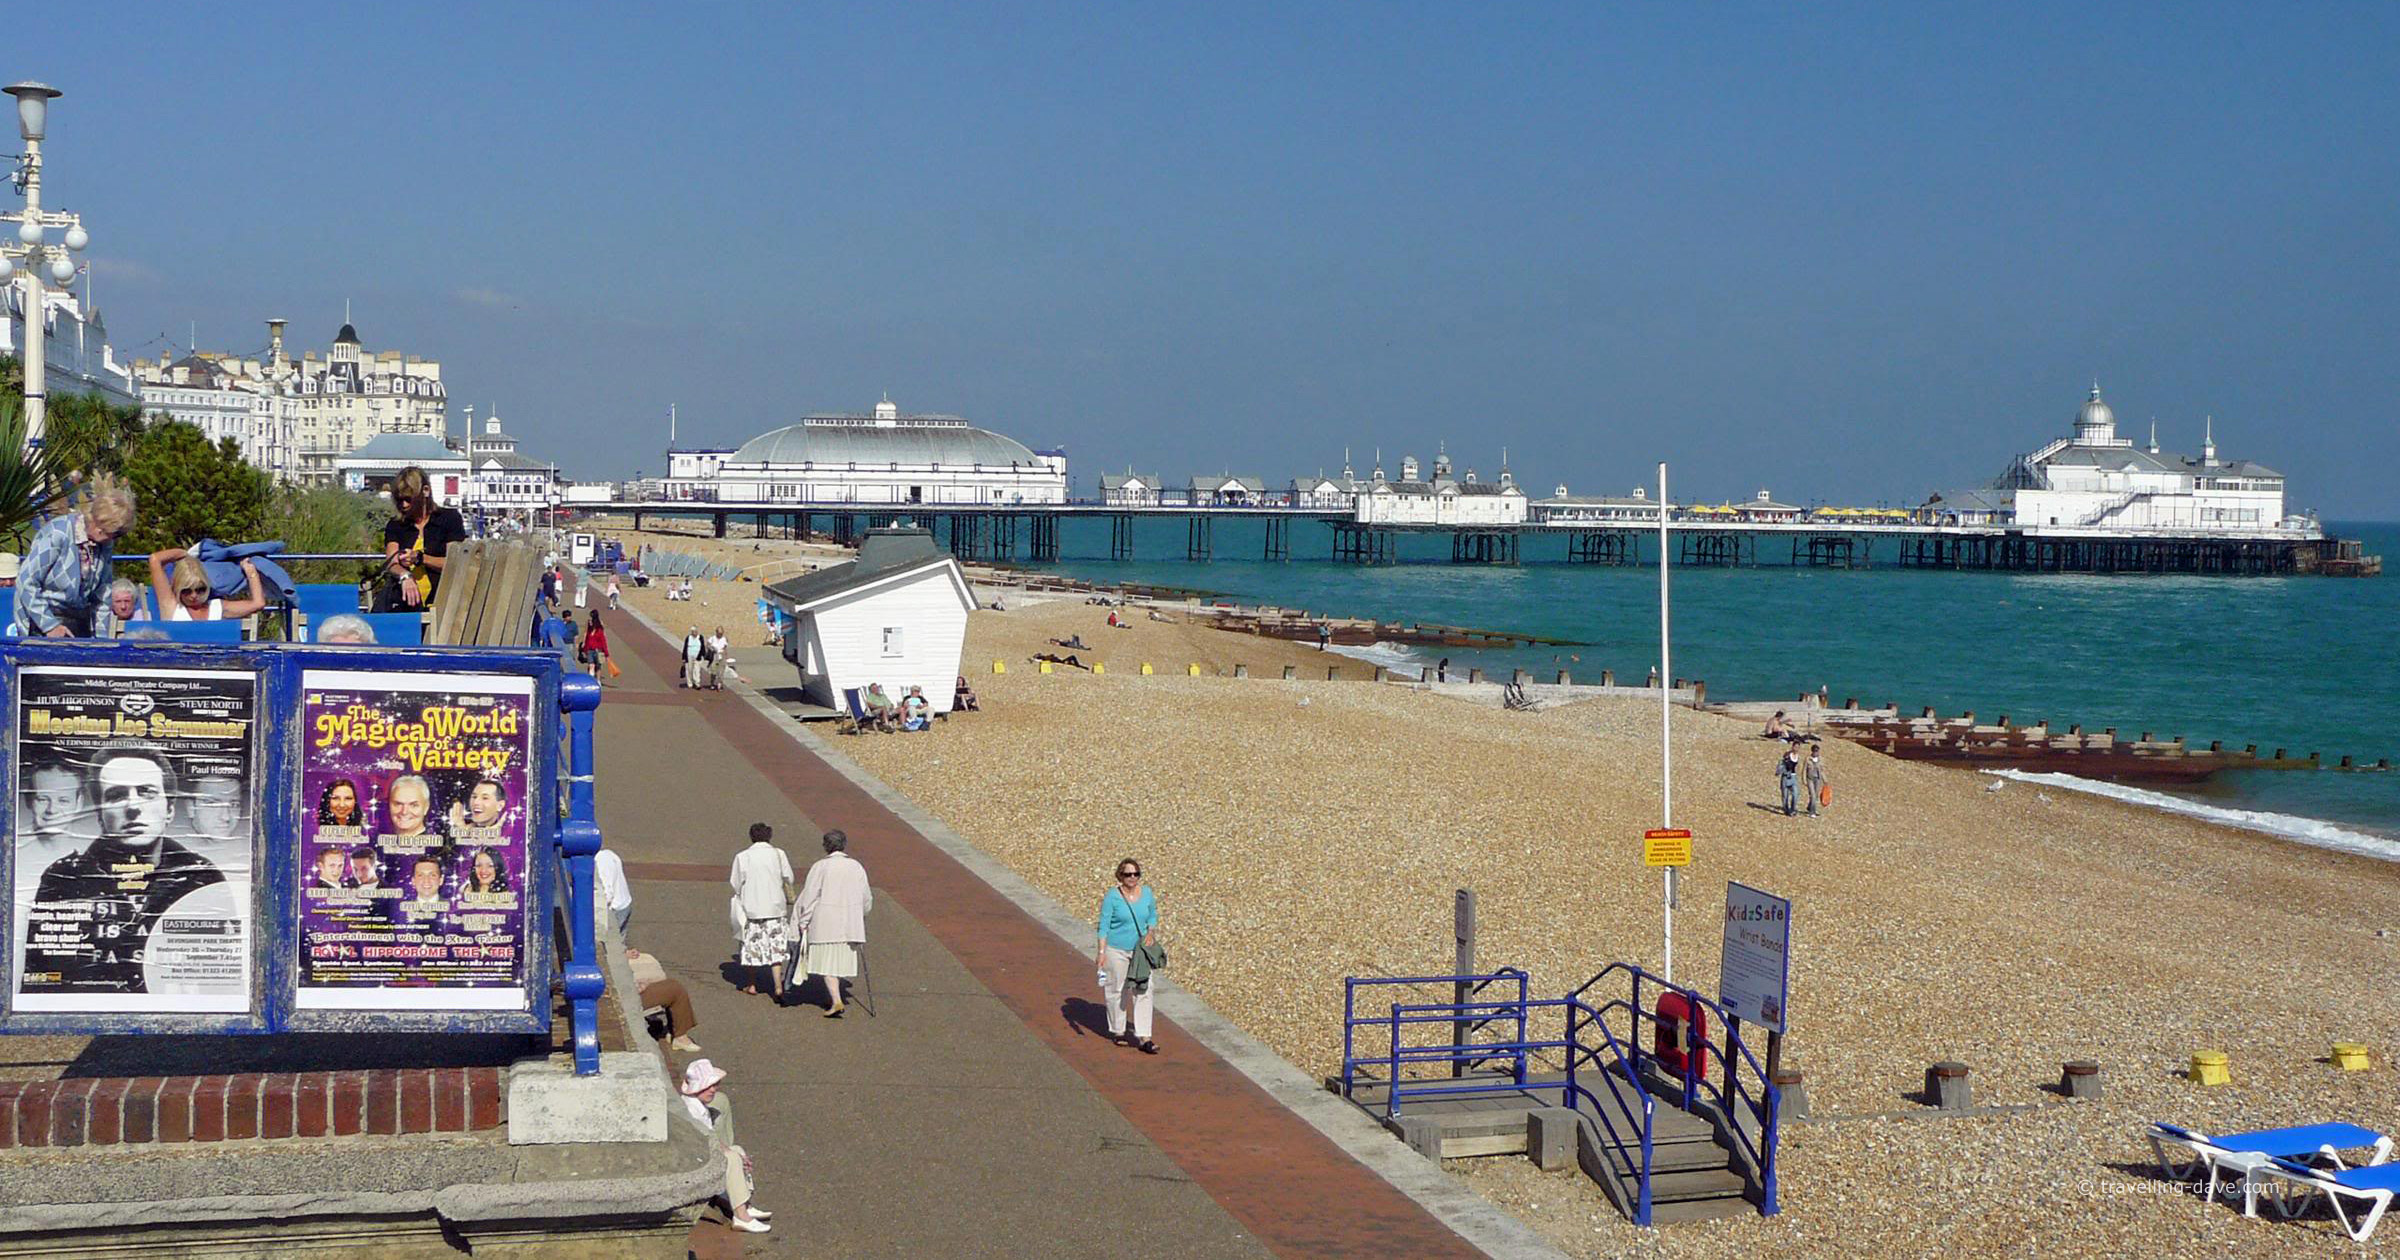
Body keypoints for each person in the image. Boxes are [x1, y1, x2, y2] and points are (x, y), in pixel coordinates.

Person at [29, 748, 224, 992]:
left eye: (147, 792)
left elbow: (221, 985)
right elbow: (41, 987)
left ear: (170, 810)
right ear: (99, 814)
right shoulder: (64, 879)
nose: (133, 807)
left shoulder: (202, 877)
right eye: (117, 795)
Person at [9, 475, 137, 637]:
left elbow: (103, 594)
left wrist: (102, 640)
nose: (114, 539)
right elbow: (26, 581)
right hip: (41, 624)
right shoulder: (58, 532)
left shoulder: (105, 545)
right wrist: (49, 626)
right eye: (115, 533)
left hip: (79, 622)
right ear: (101, 526)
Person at [678, 1059, 771, 1233]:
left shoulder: (697, 1105)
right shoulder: (691, 1110)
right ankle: (741, 1216)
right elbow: (706, 1140)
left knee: (737, 1150)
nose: (713, 1089)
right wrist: (729, 1152)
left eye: (715, 1085)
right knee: (732, 1157)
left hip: (699, 1153)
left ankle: (743, 1202)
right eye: (708, 1086)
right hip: (694, 1160)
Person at [791, 829, 871, 1017]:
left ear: (826, 846)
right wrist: (862, 915)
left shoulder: (820, 867)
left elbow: (810, 896)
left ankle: (836, 1000)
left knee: (827, 963)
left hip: (825, 922)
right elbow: (866, 896)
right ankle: (836, 998)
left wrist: (803, 920)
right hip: (849, 923)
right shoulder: (856, 866)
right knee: (838, 962)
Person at [1093, 857, 1161, 1054]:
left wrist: (1151, 931)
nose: (1132, 878)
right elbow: (1104, 925)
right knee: (1117, 989)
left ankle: (1144, 1036)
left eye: (1135, 874)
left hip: (1140, 951)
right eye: (1127, 874)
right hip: (1116, 950)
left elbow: (1152, 914)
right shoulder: (1112, 897)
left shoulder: (1147, 893)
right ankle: (1118, 1030)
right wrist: (1101, 952)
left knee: (1144, 989)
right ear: (1120, 876)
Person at [379, 466, 467, 608]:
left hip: (442, 600)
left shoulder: (449, 519)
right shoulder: (395, 525)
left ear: (425, 491)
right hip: (404, 602)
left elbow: (454, 562)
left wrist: (420, 558)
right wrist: (404, 575)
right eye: (399, 500)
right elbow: (391, 562)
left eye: (408, 499)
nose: (404, 505)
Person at [728, 823, 794, 997]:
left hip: (752, 908)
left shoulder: (743, 856)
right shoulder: (779, 854)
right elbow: (789, 877)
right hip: (775, 907)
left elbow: (735, 883)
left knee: (750, 946)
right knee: (776, 948)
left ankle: (752, 984)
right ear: (769, 836)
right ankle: (778, 986)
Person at [148, 548, 268, 623]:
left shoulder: (217, 606)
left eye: (200, 590)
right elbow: (155, 559)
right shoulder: (171, 606)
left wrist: (250, 572)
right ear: (178, 589)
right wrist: (184, 554)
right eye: (187, 591)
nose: (194, 595)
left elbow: (258, 603)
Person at [19, 759, 90, 880]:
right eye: (43, 799)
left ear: (79, 804)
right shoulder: (13, 850)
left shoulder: (91, 852)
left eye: (63, 801)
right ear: (28, 800)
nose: (52, 810)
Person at [627, 946, 701, 1051]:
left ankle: (672, 1029)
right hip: (624, 995)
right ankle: (680, 1036)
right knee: (675, 989)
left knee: (650, 965)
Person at [594, 845, 633, 937]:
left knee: (609, 943)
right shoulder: (609, 854)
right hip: (625, 902)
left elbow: (607, 895)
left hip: (614, 910)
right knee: (619, 939)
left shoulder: (599, 863)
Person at [580, 610, 614, 684]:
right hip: (593, 649)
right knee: (593, 665)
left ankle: (596, 680)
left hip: (596, 649)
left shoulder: (597, 627)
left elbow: (602, 640)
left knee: (596, 666)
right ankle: (594, 680)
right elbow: (602, 640)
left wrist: (606, 652)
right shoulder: (593, 625)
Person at [1777, 745, 1802, 817]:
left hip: (1793, 777)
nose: (1796, 748)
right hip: (1785, 777)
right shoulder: (1787, 755)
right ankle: (1786, 809)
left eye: (1798, 747)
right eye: (1795, 747)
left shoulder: (1797, 756)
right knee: (1785, 795)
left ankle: (1793, 809)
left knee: (1795, 794)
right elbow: (1779, 769)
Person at [1805, 744, 1829, 818]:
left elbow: (1822, 770)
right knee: (1813, 795)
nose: (1816, 753)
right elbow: (1804, 770)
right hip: (1810, 779)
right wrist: (1804, 780)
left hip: (1817, 779)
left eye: (1817, 751)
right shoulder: (1808, 759)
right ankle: (1812, 811)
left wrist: (1825, 780)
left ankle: (1810, 806)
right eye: (1815, 751)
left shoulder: (1820, 759)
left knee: (1816, 795)